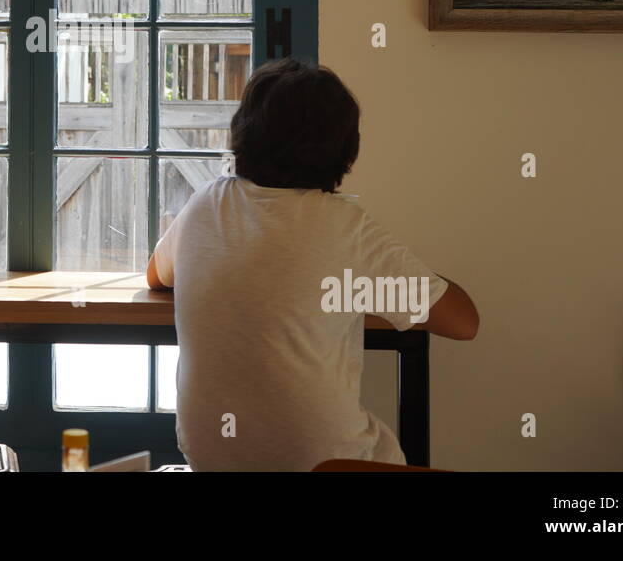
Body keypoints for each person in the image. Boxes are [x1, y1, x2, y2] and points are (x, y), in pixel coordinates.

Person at [146, 58, 478, 471]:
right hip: (325, 465)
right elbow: (464, 323)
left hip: (212, 462)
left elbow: (157, 276)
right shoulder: (345, 228)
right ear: (345, 148)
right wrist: (399, 276)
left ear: (242, 134)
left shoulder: (205, 204)